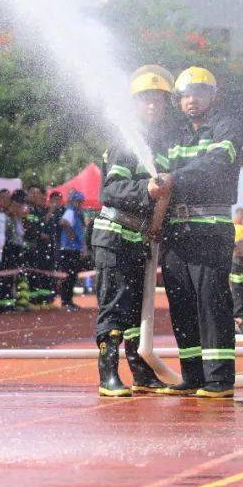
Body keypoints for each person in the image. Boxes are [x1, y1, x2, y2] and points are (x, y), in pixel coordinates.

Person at [156, 66, 243, 398]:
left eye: (198, 93)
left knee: (211, 301)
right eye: (185, 95)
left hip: (210, 230)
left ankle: (219, 379)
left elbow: (219, 162)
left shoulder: (225, 127)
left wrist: (177, 178)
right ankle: (192, 375)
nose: (191, 101)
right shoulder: (175, 135)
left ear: (213, 95)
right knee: (182, 303)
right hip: (177, 232)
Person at [90, 65, 175, 397]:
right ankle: (107, 375)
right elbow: (109, 192)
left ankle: (141, 374)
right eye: (146, 100)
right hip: (113, 236)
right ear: (134, 105)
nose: (153, 106)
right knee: (114, 304)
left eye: (158, 100)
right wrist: (147, 191)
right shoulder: (126, 143)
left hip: (138, 239)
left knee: (138, 307)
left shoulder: (159, 144)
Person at [58, 191, 87, 312]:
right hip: (69, 249)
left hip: (73, 248)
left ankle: (68, 301)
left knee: (72, 276)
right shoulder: (71, 211)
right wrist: (72, 237)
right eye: (79, 201)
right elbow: (63, 222)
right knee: (69, 276)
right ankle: (66, 302)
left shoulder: (77, 213)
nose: (81, 204)